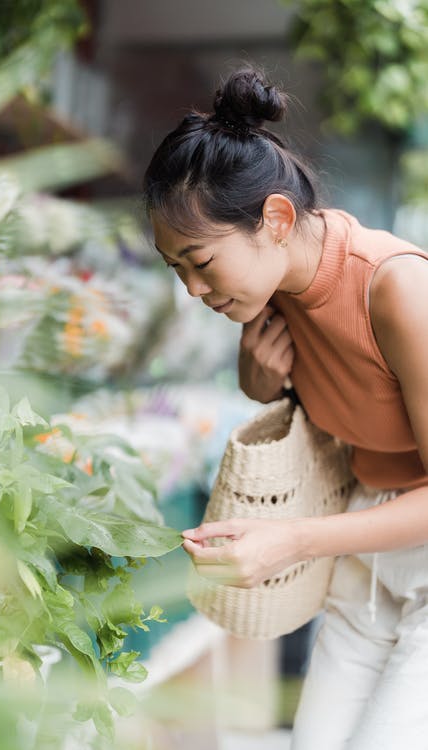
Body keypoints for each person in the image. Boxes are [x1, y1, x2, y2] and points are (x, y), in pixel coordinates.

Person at [142, 65, 428, 750]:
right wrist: (257, 378)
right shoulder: (274, 295)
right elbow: (334, 398)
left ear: (274, 219)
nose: (192, 289)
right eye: (175, 268)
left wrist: (293, 540)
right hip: (365, 554)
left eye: (200, 261)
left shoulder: (395, 287)